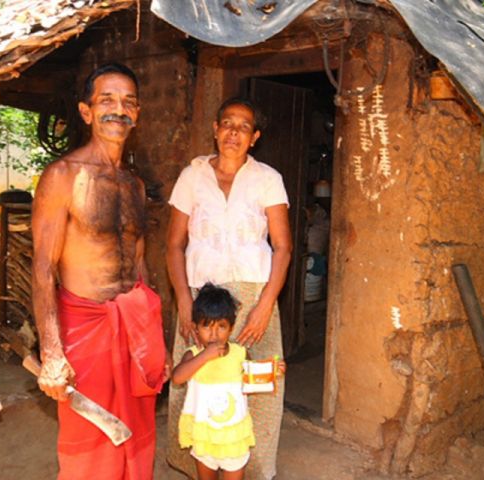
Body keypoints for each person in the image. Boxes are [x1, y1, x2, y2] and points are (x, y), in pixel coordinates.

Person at [31, 63, 167, 480]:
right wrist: (51, 351)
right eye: (106, 100)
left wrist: (148, 328)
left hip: (132, 327)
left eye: (128, 102)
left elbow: (139, 259)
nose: (118, 110)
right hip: (84, 328)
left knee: (138, 434)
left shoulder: (134, 185)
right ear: (86, 112)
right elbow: (42, 268)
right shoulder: (62, 176)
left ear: (138, 114)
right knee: (90, 442)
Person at [166, 97, 292, 480]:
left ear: (254, 137)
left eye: (243, 126)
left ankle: (249, 469)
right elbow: (173, 245)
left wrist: (266, 303)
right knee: (197, 376)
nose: (234, 132)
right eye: (227, 123)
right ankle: (198, 463)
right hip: (199, 298)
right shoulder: (192, 177)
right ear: (216, 129)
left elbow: (282, 246)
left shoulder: (267, 179)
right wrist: (184, 302)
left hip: (254, 293)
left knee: (258, 382)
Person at [172, 284, 286, 480]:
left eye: (221, 326)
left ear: (231, 328)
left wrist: (270, 372)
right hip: (204, 436)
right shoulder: (193, 354)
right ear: (196, 328)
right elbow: (177, 377)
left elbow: (248, 385)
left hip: (234, 437)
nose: (214, 334)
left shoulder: (240, 354)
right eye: (206, 325)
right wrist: (205, 356)